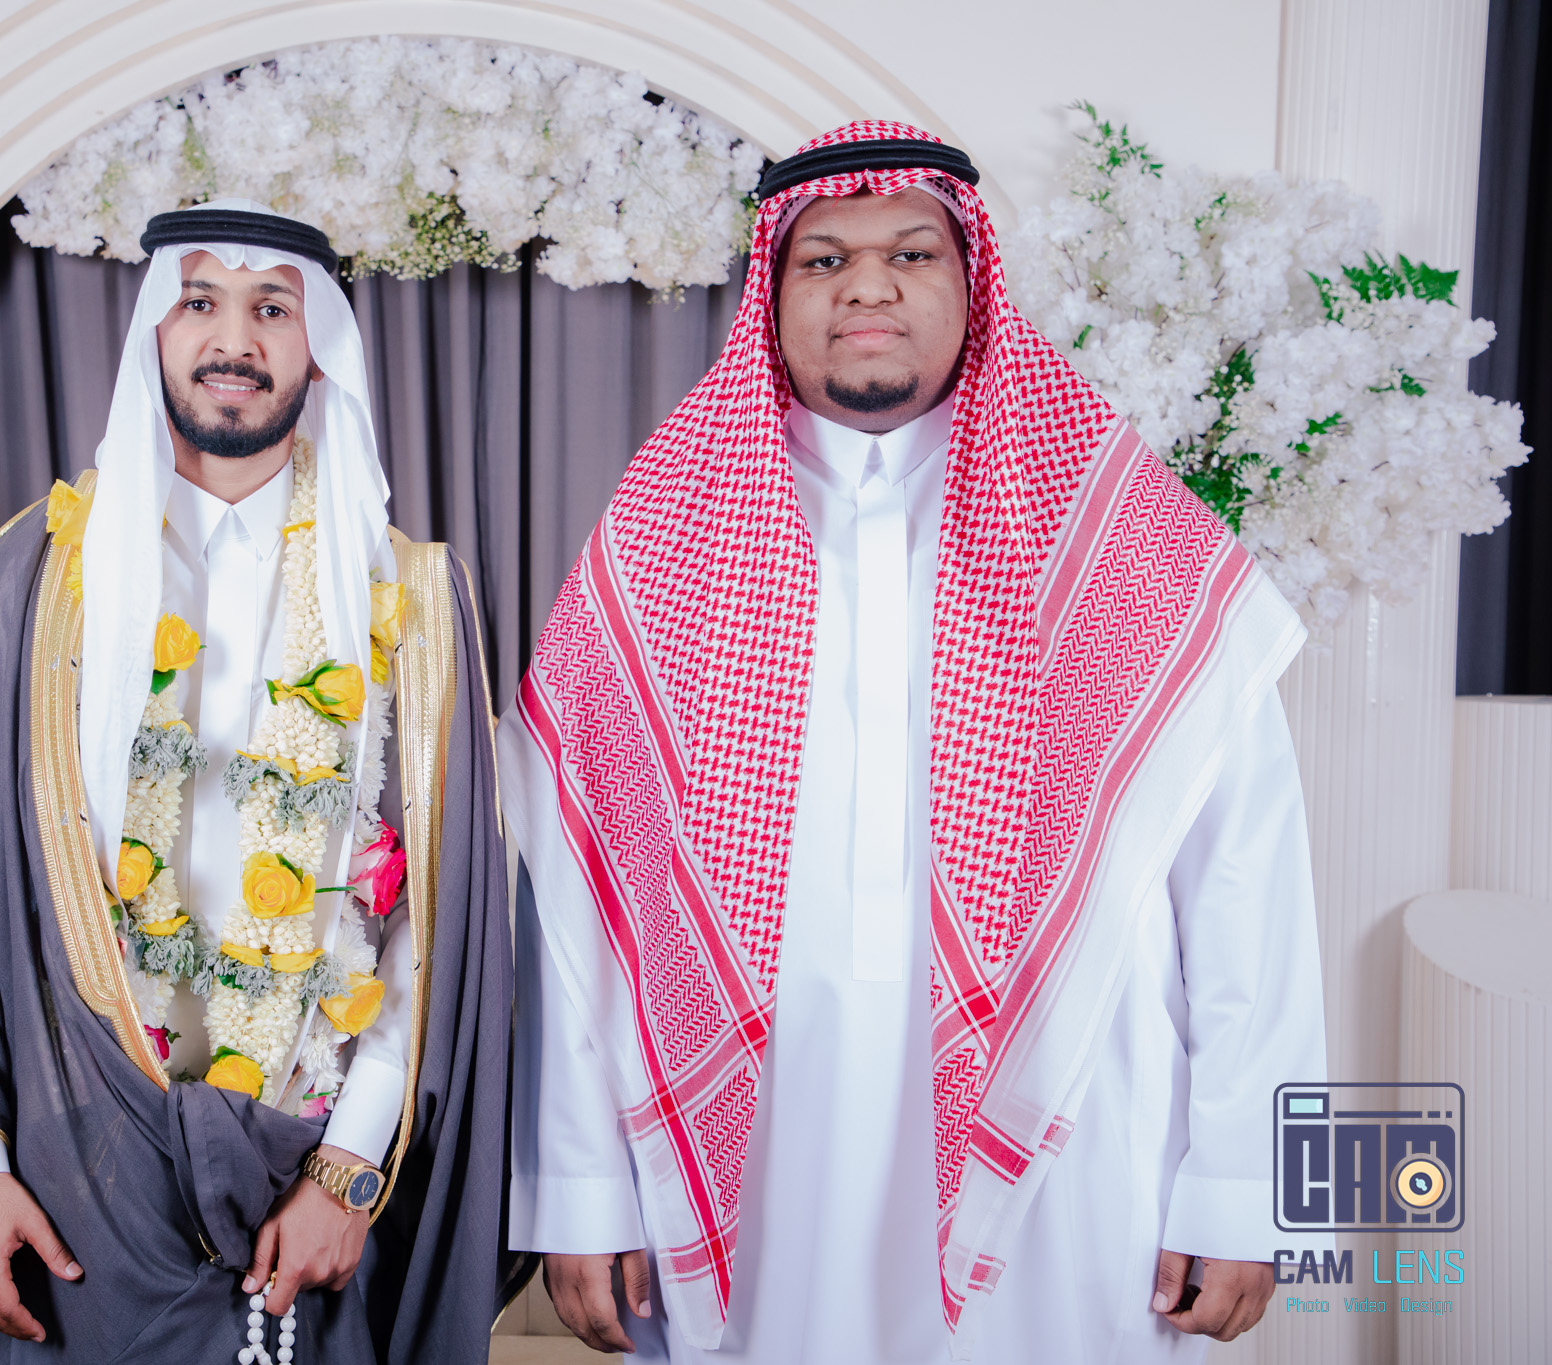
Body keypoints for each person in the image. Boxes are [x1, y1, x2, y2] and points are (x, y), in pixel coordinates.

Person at [501, 122, 1333, 1362]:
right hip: (757, 1163)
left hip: (1069, 1152)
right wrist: (581, 1185)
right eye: (822, 260)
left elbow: (1244, 885)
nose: (867, 287)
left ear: (970, 278)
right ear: (771, 295)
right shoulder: (662, 540)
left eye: (909, 253)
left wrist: (1248, 1186)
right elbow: (577, 903)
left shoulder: (1115, 538)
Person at [0, 200, 514, 1364]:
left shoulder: (410, 598)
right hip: (73, 1171)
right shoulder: (31, 582)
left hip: (309, 1174)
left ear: (319, 346)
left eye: (272, 308)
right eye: (200, 302)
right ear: (152, 334)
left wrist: (348, 1166)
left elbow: (435, 916)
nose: (234, 338)